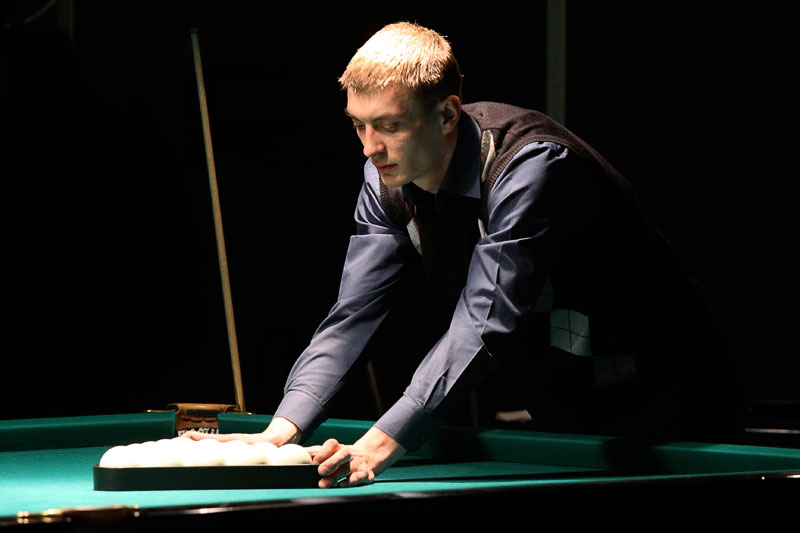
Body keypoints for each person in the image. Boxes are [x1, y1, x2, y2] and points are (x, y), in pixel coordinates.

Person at [187, 21, 741, 487]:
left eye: (390, 126)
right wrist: (280, 432)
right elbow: (354, 314)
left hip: (674, 395)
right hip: (566, 405)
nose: (371, 148)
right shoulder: (386, 182)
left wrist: (378, 445)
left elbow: (485, 319)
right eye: (359, 126)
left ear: (448, 115)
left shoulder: (530, 165)